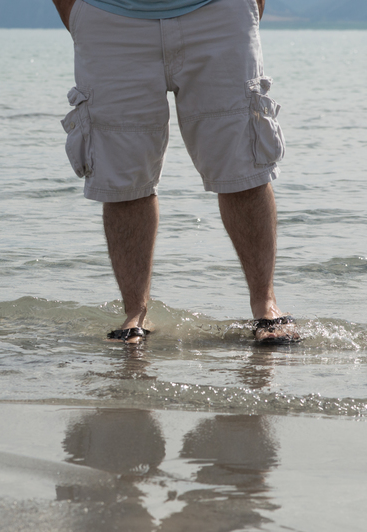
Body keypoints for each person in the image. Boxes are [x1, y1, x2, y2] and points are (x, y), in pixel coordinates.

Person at [52, 0, 300, 344]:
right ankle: (134, 314)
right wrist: (82, 12)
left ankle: (265, 307)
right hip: (108, 17)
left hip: (218, 13)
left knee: (243, 168)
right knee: (123, 180)